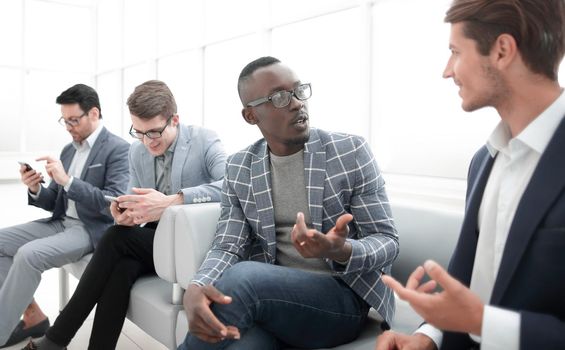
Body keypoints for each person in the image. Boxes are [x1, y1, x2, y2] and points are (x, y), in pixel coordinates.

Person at [375, 0, 565, 349]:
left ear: (502, 51)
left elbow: (481, 315)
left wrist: (480, 322)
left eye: (455, 52)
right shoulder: (484, 161)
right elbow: (474, 282)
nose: (448, 71)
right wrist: (429, 335)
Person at [177, 56, 398, 350]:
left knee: (244, 277)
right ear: (251, 116)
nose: (296, 103)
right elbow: (227, 245)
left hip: (340, 300)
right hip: (274, 302)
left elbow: (387, 241)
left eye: (298, 91)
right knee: (240, 343)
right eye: (279, 97)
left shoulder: (350, 152)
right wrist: (196, 286)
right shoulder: (240, 167)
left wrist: (341, 250)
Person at [24, 80, 227, 350]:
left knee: (116, 239)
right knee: (120, 265)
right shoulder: (137, 150)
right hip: (156, 239)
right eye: (138, 132)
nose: (146, 141)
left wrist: (173, 201)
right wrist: (124, 212)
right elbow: (131, 196)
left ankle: (55, 339)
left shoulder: (204, 139)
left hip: (191, 243)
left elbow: (229, 185)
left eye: (153, 133)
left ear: (174, 120)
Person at [0, 84, 130, 348]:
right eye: (65, 120)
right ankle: (30, 317)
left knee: (28, 255)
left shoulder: (118, 149)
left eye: (74, 120)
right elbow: (55, 202)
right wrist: (36, 188)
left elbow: (113, 203)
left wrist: (68, 181)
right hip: (60, 223)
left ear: (94, 114)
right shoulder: (69, 150)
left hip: (89, 229)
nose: (69, 126)